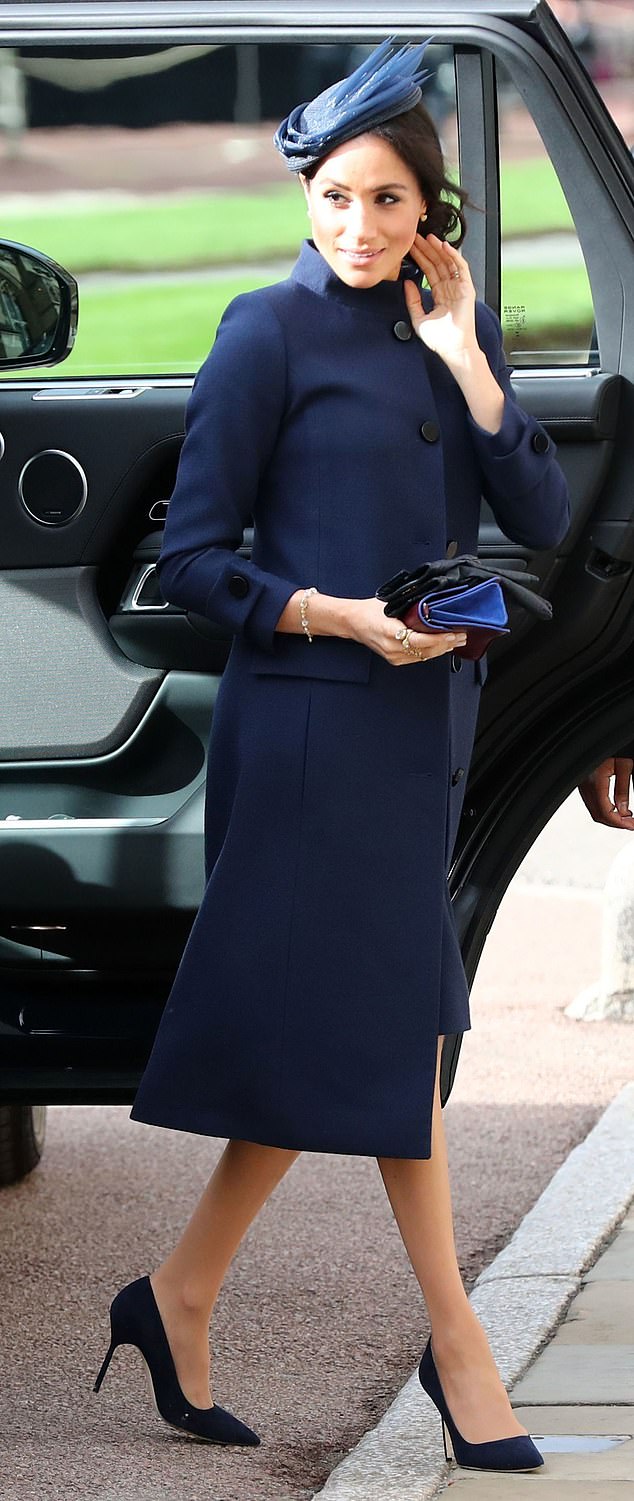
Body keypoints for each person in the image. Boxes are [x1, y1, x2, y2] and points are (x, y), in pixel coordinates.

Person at [94, 39, 570, 1473]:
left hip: (415, 727)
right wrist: (335, 618)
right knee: (392, 1039)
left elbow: (541, 515)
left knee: (367, 1040)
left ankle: (175, 1292)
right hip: (306, 724)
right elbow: (189, 560)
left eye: (383, 202)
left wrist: (467, 361)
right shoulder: (262, 330)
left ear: (430, 211)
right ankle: (458, 1343)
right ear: (307, 202)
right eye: (331, 199)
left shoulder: (437, 329)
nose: (355, 228)